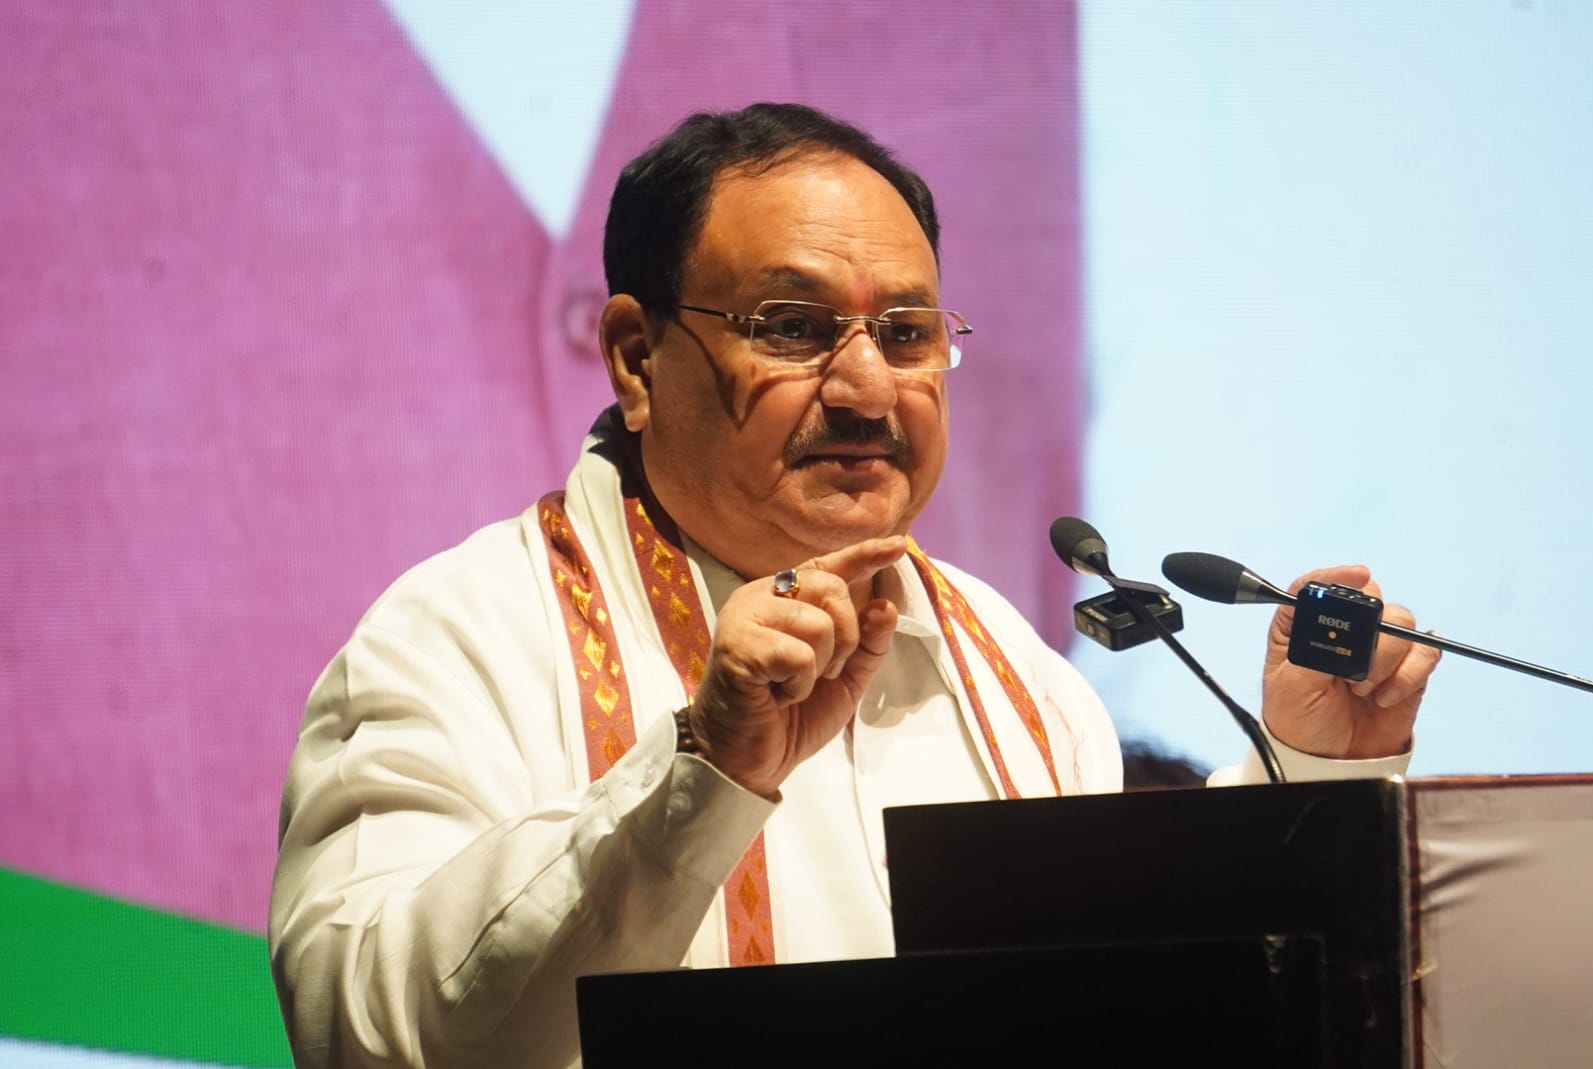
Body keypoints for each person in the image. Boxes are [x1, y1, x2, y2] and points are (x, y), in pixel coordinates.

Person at [269, 103, 1439, 1068]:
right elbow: (368, 1032)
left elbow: (1122, 1000)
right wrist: (704, 769)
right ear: (636, 355)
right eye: (794, 325)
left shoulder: (1016, 673)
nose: (869, 388)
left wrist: (1310, 770)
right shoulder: (456, 638)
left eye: (910, 331)